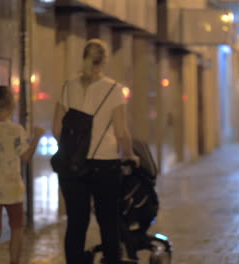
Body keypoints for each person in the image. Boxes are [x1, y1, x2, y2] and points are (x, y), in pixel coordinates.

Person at [52, 39, 139, 264]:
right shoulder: (114, 89)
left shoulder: (68, 86)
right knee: (108, 222)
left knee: (76, 223)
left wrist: (73, 150)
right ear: (104, 61)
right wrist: (130, 154)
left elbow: (56, 128)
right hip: (105, 165)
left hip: (72, 166)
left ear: (83, 57)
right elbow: (121, 132)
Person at [0, 85, 45, 264]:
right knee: (17, 228)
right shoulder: (17, 131)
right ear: (12, 105)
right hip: (13, 188)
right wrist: (37, 137)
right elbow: (26, 157)